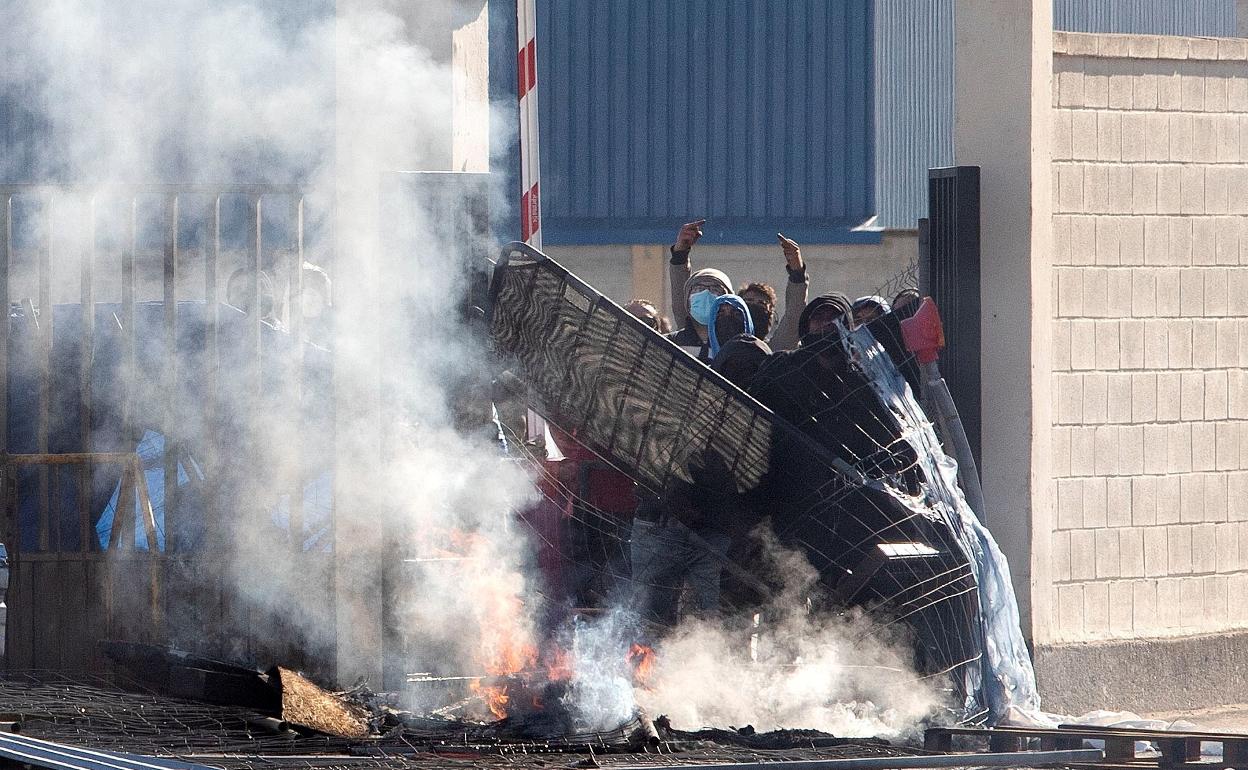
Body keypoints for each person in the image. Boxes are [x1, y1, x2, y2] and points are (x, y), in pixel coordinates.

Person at [668, 222, 809, 352]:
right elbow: (682, 303)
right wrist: (680, 255)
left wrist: (797, 272)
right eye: (748, 302)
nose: (754, 308)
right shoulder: (680, 341)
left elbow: (793, 320)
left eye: (761, 304)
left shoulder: (764, 353)